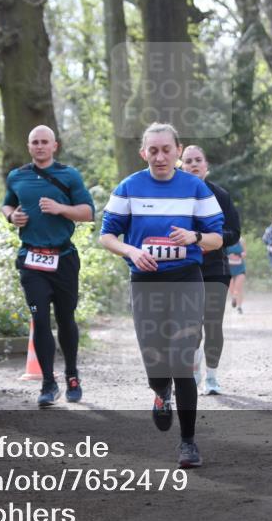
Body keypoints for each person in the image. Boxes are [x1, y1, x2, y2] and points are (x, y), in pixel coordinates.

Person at [100, 124, 224, 468]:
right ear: (144, 153)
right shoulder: (129, 187)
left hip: (186, 279)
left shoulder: (195, 188)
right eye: (152, 150)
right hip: (145, 282)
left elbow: (218, 238)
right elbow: (106, 236)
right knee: (156, 362)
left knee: (182, 359)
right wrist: (131, 251)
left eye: (166, 150)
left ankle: (188, 443)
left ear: (177, 151)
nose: (160, 156)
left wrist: (195, 237)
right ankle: (160, 392)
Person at [2, 125, 95, 408]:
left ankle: (72, 376)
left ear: (55, 146)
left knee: (66, 319)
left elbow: (89, 213)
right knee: (39, 319)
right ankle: (47, 383)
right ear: (29, 146)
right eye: (35, 142)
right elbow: (7, 205)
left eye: (45, 142)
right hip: (31, 260)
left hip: (63, 258)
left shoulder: (69, 175)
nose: (40, 146)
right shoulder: (17, 176)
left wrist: (60, 209)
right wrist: (12, 216)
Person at [180, 145, 242, 395]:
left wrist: (206, 238)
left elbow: (234, 232)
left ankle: (212, 377)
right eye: (188, 161)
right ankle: (194, 374)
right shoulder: (175, 195)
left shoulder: (220, 195)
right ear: (181, 166)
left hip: (216, 266)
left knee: (213, 323)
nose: (194, 165)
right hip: (185, 267)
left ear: (206, 166)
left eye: (198, 160)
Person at [226, 239, 247, 315]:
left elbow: (245, 253)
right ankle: (234, 298)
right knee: (232, 289)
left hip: (240, 269)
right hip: (229, 269)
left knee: (238, 288)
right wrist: (229, 256)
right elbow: (222, 254)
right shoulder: (226, 241)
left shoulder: (241, 241)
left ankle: (239, 307)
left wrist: (239, 255)